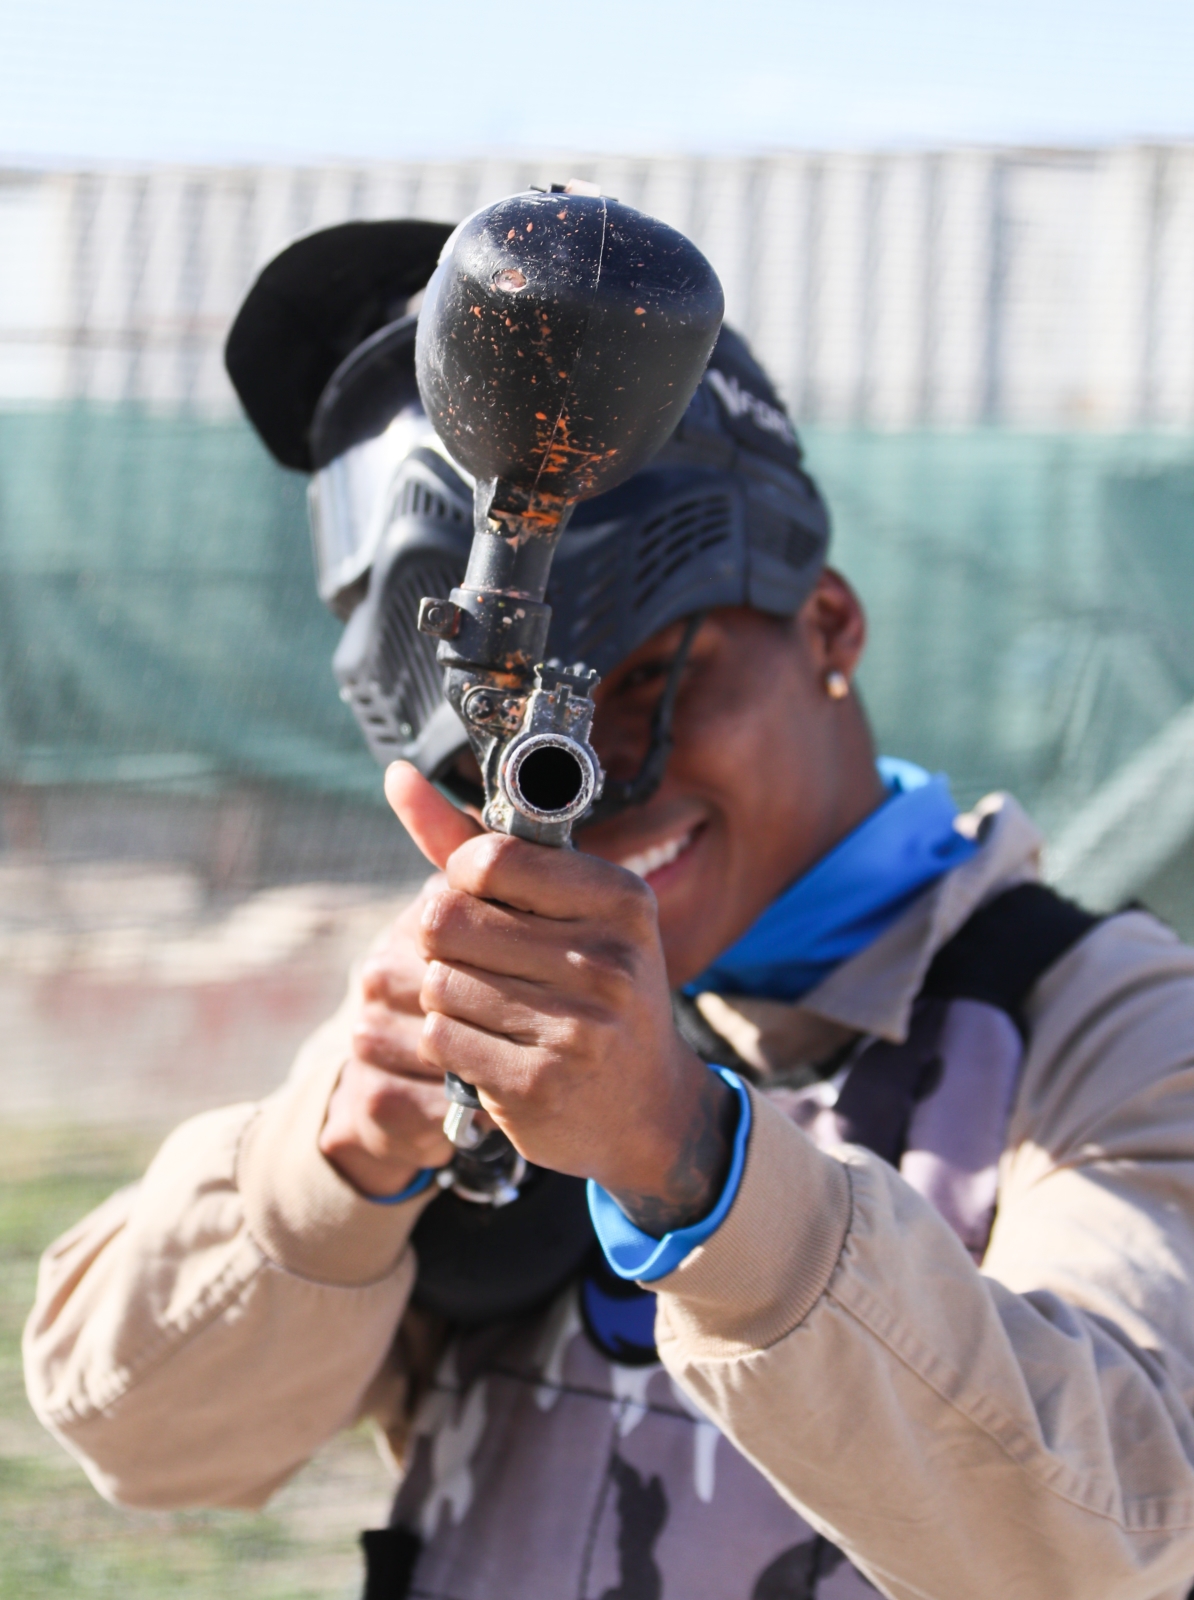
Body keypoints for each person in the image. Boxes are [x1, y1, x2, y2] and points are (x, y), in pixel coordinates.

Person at [24, 215, 1194, 1600]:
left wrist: (691, 1160)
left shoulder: (1109, 1029)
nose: (598, 803)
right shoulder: (475, 1015)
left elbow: (1117, 1539)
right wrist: (338, 1160)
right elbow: (140, 1447)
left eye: (644, 686)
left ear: (827, 625)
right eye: (494, 759)